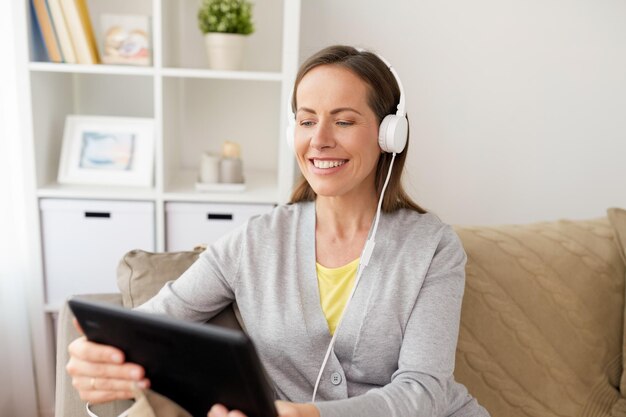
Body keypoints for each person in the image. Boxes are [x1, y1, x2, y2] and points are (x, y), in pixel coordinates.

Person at [66, 45, 490, 417]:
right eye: (307, 122)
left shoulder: (432, 246)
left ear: (388, 135)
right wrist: (97, 352)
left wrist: (310, 414)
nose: (319, 140)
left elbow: (424, 392)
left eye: (343, 122)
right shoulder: (255, 241)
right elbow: (152, 324)